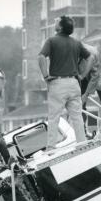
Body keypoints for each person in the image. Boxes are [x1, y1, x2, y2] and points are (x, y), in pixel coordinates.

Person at [38, 15, 91, 149]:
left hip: (57, 83)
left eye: (56, 21)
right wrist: (83, 74)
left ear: (60, 27)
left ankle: (51, 147)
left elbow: (41, 57)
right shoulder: (76, 43)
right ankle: (82, 144)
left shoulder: (51, 41)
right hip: (74, 83)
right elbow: (89, 57)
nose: (54, 22)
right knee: (77, 117)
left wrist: (45, 76)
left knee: (54, 117)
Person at [79, 43, 101, 137]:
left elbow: (95, 77)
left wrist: (86, 95)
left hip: (98, 74)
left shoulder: (92, 54)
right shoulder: (71, 52)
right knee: (79, 103)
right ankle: (82, 130)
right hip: (82, 74)